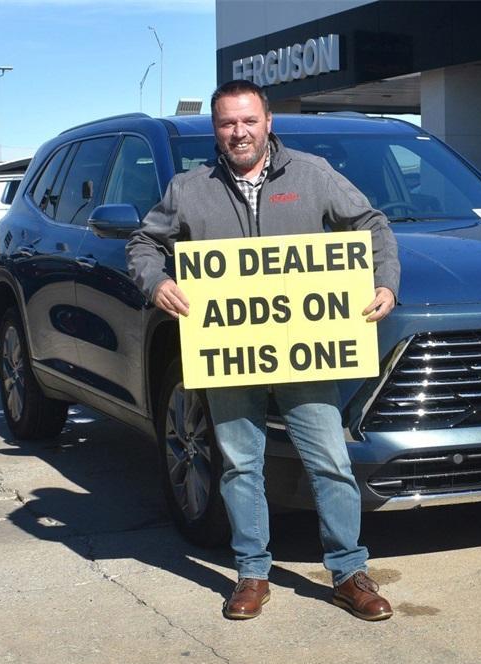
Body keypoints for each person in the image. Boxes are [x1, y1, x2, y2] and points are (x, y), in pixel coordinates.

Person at [126, 79, 400, 621]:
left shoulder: (312, 174)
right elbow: (142, 242)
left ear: (268, 122)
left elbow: (371, 225)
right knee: (239, 464)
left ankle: (349, 572)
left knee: (331, 461)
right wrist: (155, 281)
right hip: (229, 351)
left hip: (304, 350)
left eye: (249, 121)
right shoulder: (189, 188)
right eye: (228, 123)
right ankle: (252, 574)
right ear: (216, 129)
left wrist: (385, 281)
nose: (239, 132)